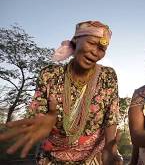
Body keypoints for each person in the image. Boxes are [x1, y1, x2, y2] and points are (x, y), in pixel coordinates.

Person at [0, 21, 123, 165]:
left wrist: (110, 148)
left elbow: (111, 116)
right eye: (91, 43)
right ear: (76, 40)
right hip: (52, 157)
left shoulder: (107, 75)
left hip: (93, 156)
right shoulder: (49, 75)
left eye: (102, 48)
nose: (95, 52)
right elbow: (37, 115)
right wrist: (46, 119)